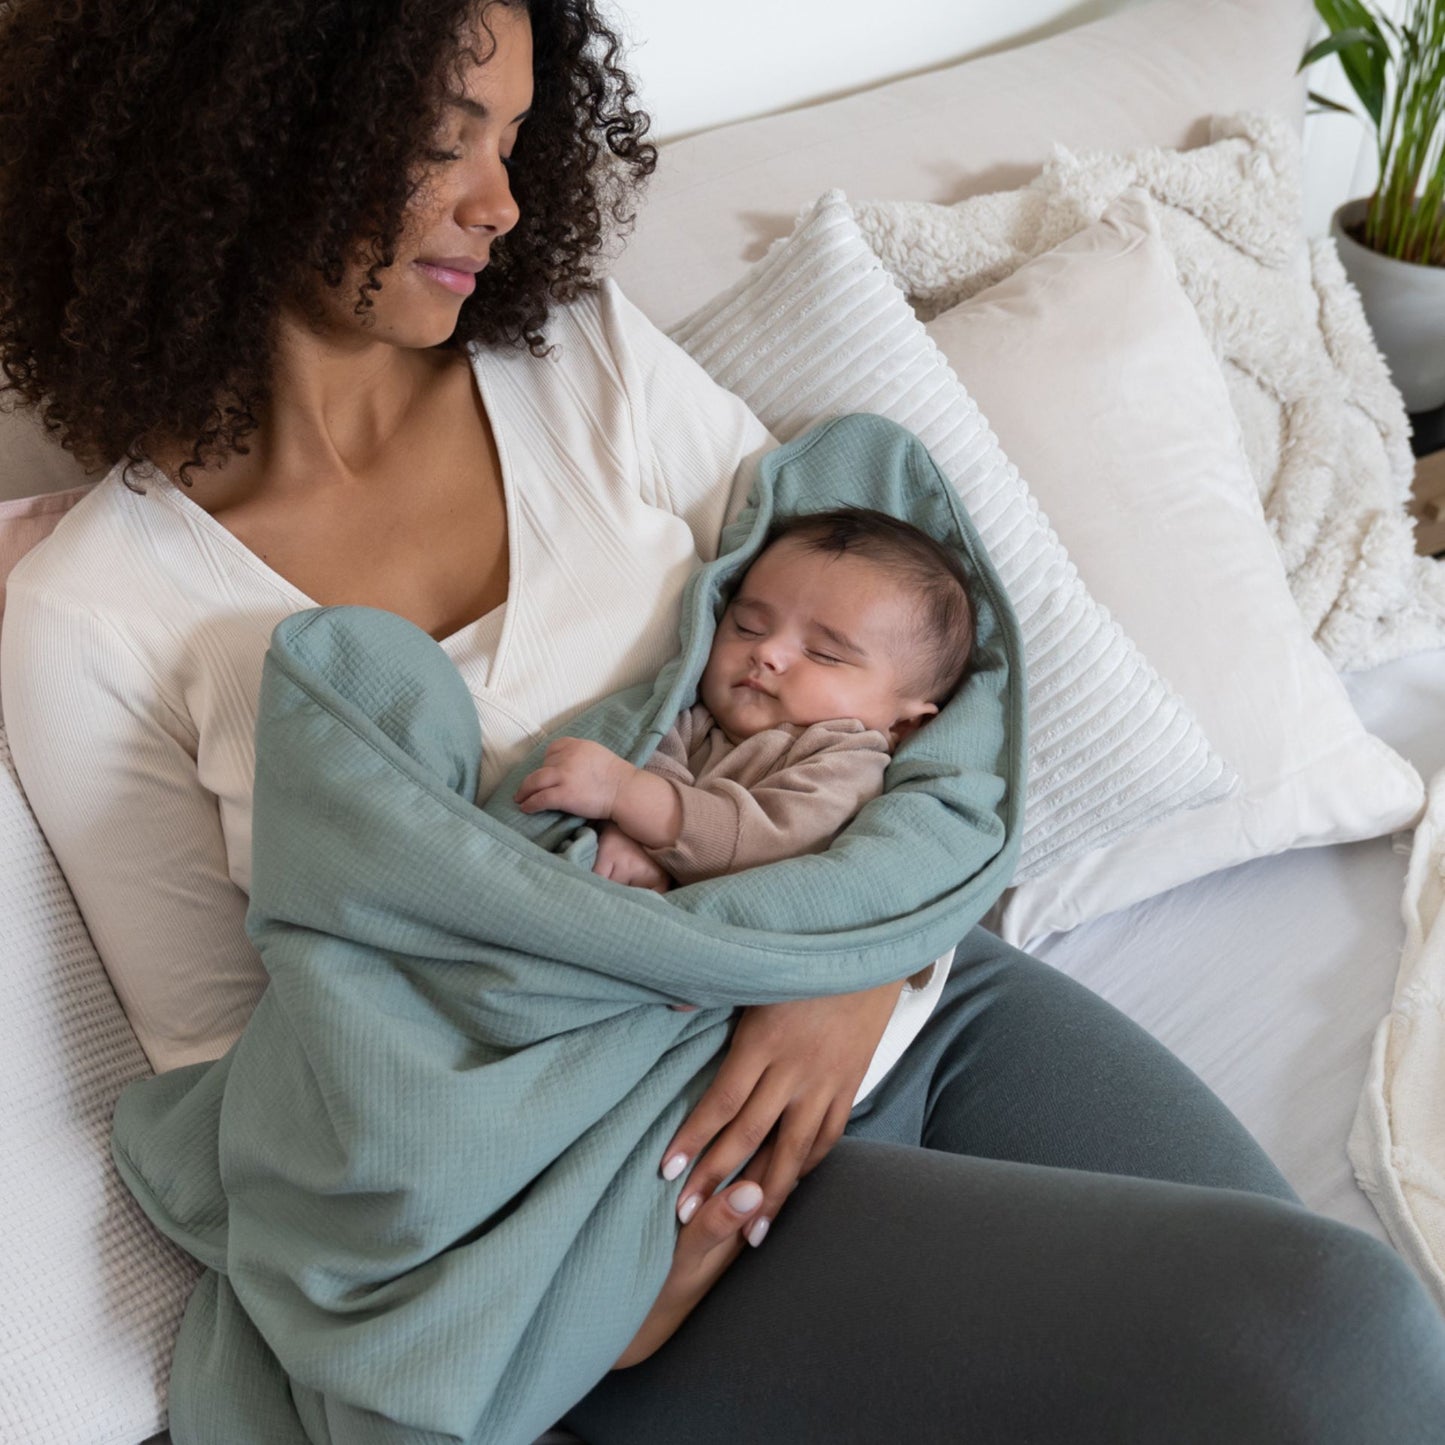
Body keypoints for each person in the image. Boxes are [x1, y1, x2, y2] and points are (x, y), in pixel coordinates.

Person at [2, 1, 1444, 1438]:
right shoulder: (98, 610)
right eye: (444, 143)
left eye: (513, 138)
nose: (500, 201)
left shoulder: (573, 356)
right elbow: (241, 1087)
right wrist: (589, 1296)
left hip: (903, 997)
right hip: (635, 1185)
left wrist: (850, 972)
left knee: (1374, 1332)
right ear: (239, 146)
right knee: (1326, 1337)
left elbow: (905, 653)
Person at [514, 506, 976, 896]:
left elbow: (767, 842)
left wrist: (621, 793)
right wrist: (626, 835)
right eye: (748, 627)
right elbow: (653, 760)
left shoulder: (846, 757)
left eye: (824, 653)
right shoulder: (693, 715)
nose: (767, 652)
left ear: (902, 726)